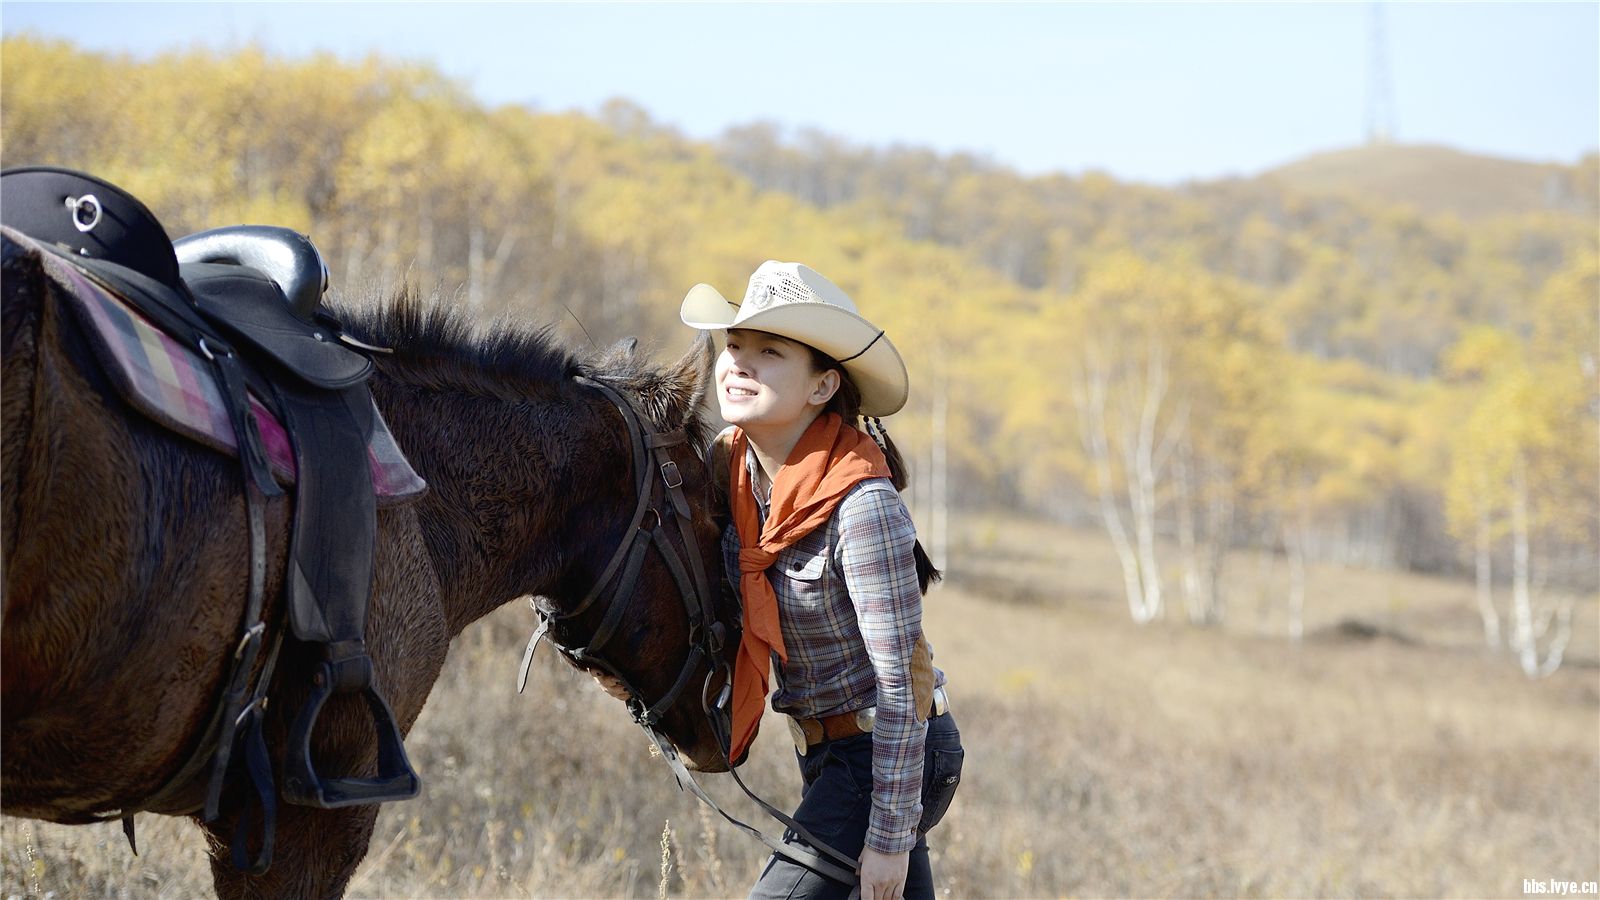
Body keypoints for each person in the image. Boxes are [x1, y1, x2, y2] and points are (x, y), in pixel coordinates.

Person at [680, 260, 964, 900]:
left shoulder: (862, 505)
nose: (739, 365)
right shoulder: (732, 470)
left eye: (770, 351)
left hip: (889, 750)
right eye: (734, 346)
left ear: (821, 387)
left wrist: (889, 840)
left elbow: (897, 684)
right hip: (826, 753)